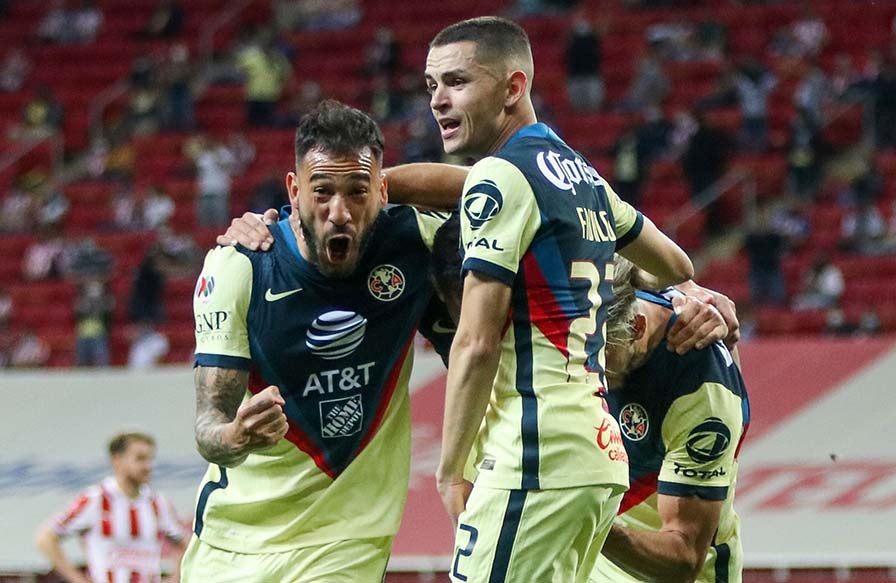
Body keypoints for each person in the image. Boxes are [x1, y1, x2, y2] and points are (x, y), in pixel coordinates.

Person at [424, 17, 693, 582]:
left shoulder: (498, 176)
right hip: (595, 452)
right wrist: (687, 295)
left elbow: (475, 341)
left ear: (514, 88)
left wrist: (450, 471)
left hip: (535, 456)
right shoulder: (582, 174)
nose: (440, 102)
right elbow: (676, 264)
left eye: (457, 83)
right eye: (432, 86)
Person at [181, 101, 455, 582]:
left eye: (357, 192)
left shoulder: (415, 242)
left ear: (382, 190)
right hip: (230, 540)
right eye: (322, 192)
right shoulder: (240, 266)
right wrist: (235, 436)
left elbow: (502, 191)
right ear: (293, 189)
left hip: (345, 537)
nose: (339, 213)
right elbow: (208, 426)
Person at [593, 258, 749, 583]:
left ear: (635, 327)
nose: (589, 370)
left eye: (601, 355)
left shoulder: (701, 385)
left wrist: (578, 522)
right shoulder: (587, 324)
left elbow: (684, 557)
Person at [35, 431, 186, 583]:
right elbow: (46, 538)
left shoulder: (158, 504)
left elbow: (185, 545)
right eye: (140, 459)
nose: (148, 466)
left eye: (150, 459)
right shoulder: (94, 500)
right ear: (117, 460)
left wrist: (175, 578)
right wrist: (78, 580)